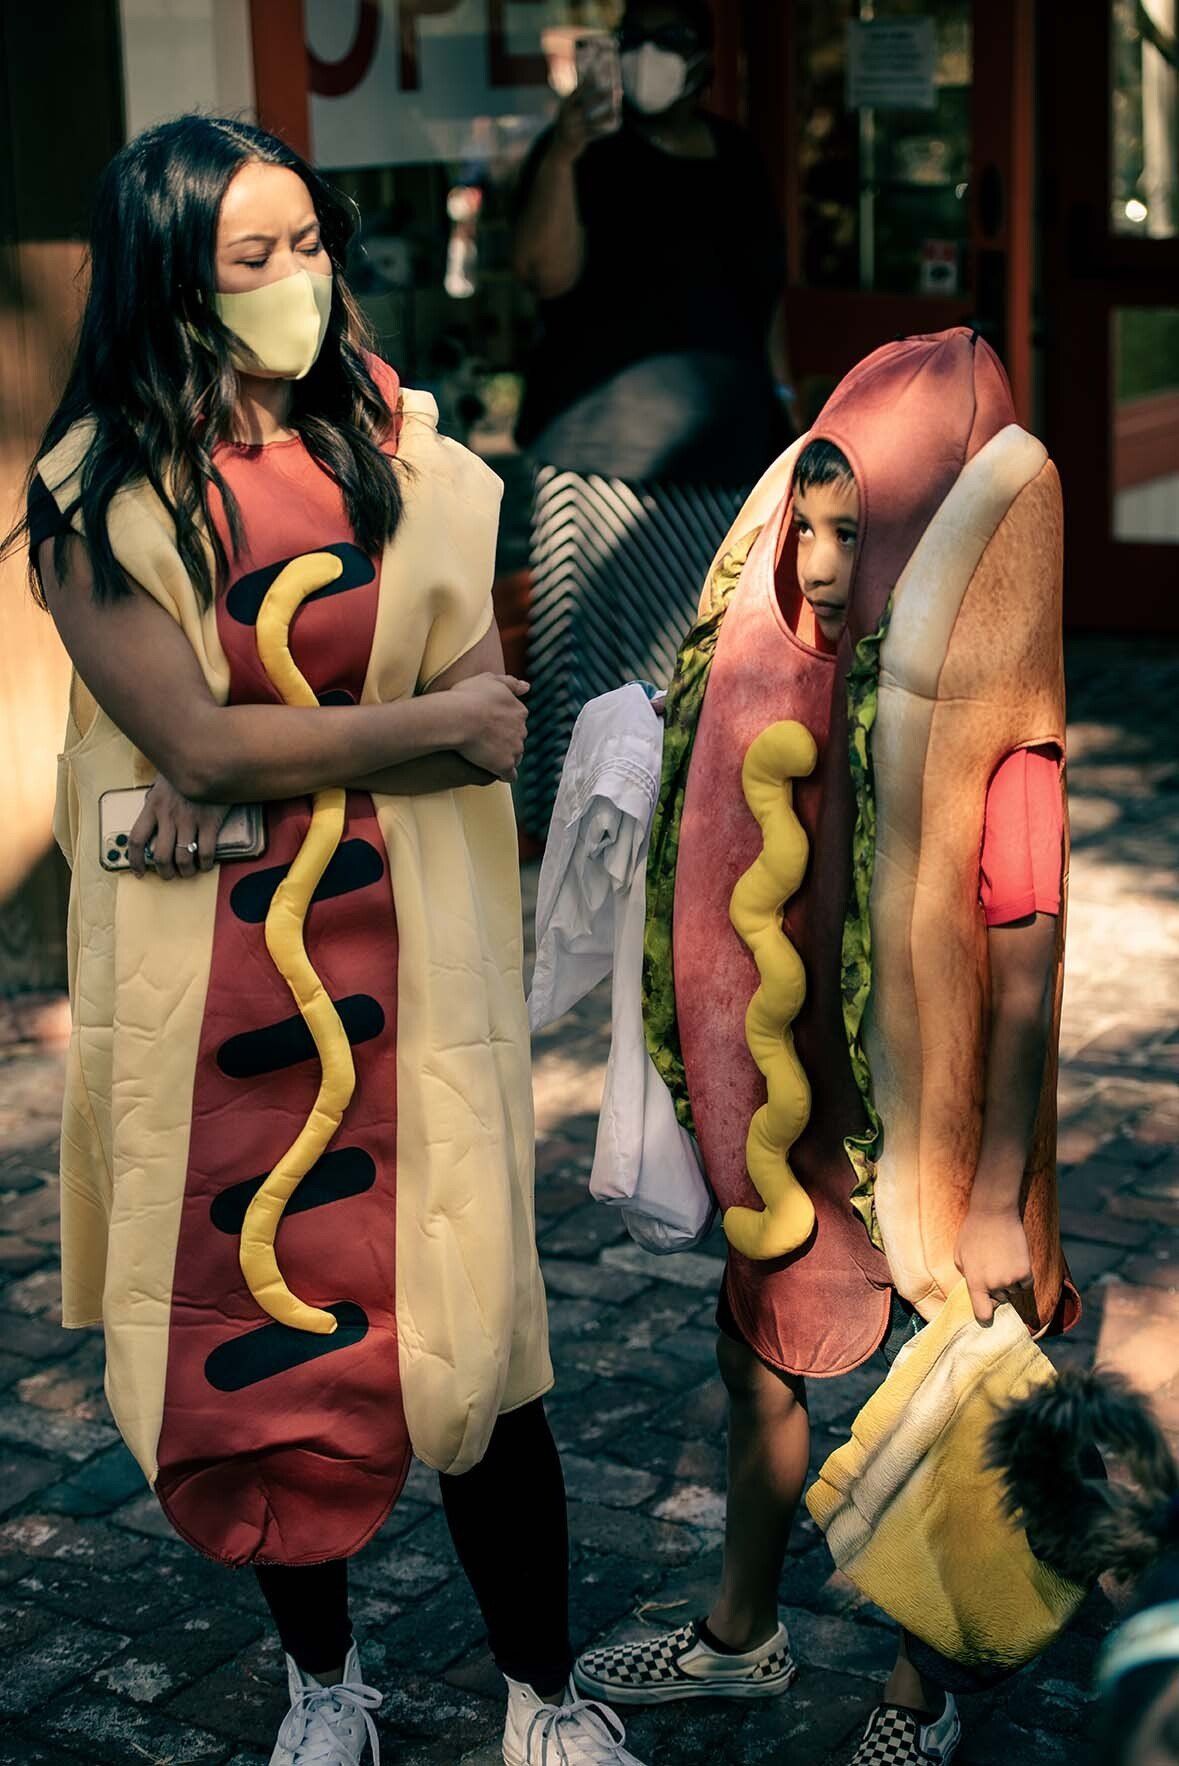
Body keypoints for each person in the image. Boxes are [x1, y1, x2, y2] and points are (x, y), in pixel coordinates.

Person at [2, 115, 649, 1766]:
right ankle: (324, 1685)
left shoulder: (402, 458)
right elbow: (198, 748)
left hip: (406, 959)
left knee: (477, 1343)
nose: (301, 283)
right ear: (167, 283)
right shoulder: (89, 494)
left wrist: (415, 733)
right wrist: (432, 720)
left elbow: (312, 739)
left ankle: (540, 1699)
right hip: (211, 986)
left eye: (312, 246)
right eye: (255, 257)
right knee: (258, 1337)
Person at [573, 329, 1076, 1765]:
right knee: (757, 1352)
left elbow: (1025, 975)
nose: (813, 568)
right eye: (804, 530)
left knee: (960, 1391)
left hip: (935, 1136)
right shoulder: (789, 672)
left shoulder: (1002, 736)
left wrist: (986, 1193)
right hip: (802, 1117)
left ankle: (920, 1687)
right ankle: (743, 1629)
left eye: (856, 538)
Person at [511, 0, 796, 839]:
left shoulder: (736, 156)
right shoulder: (580, 150)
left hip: (730, 455)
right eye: (632, 42)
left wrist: (787, 414)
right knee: (589, 679)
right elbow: (542, 272)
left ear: (704, 64)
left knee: (710, 663)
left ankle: (691, 834)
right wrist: (565, 146)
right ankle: (578, 837)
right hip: (597, 464)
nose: (647, 59)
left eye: (667, 43)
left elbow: (765, 298)